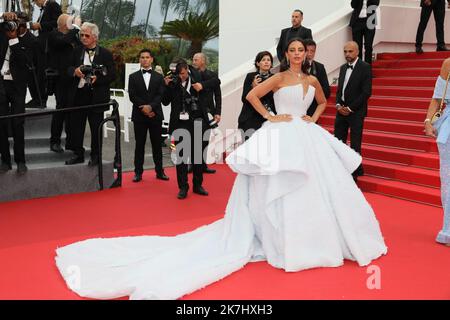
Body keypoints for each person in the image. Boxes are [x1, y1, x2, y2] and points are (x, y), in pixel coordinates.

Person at [54, 38, 387, 300]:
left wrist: (312, 118)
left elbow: (323, 101)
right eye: (293, 50)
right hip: (282, 133)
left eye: (301, 50)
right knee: (277, 186)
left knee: (317, 186)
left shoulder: (313, 78)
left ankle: (315, 240)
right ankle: (280, 239)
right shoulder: (279, 77)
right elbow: (253, 97)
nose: (298, 54)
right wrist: (272, 117)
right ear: (286, 53)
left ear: (307, 52)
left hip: (305, 135)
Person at [161, 60, 217, 199]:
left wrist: (201, 86)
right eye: (180, 74)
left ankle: (198, 185)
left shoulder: (197, 77)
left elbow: (217, 81)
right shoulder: (173, 82)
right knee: (181, 158)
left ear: (187, 70)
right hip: (178, 124)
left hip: (198, 121)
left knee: (197, 157)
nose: (182, 77)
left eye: (184, 74)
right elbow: (165, 101)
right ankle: (183, 187)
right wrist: (166, 86)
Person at [64, 22, 115, 166]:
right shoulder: (76, 51)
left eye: (87, 35)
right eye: (82, 35)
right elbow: (66, 69)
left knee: (96, 128)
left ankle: (96, 156)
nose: (83, 38)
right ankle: (78, 154)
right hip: (79, 94)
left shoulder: (105, 53)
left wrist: (98, 79)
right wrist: (75, 71)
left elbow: (112, 75)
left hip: (97, 96)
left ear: (95, 37)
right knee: (76, 128)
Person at [129, 49, 169, 183]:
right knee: (139, 145)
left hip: (155, 115)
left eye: (147, 57)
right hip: (139, 116)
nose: (144, 59)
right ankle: (138, 173)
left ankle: (160, 171)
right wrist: (144, 108)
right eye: (142, 57)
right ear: (139, 60)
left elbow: (160, 95)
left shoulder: (159, 77)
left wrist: (151, 107)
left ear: (151, 59)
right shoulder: (133, 76)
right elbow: (132, 96)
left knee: (157, 145)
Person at [334, 41, 372, 182]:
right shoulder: (343, 68)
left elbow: (366, 92)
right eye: (345, 51)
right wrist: (338, 105)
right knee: (338, 141)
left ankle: (354, 173)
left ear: (357, 52)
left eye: (350, 51)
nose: (347, 54)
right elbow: (339, 89)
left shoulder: (365, 67)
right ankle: (340, 169)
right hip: (340, 111)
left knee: (355, 144)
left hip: (356, 112)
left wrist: (350, 108)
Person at [0, 16, 32, 174]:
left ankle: (21, 161)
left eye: (16, 24)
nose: (12, 27)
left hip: (18, 87)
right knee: (1, 124)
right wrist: (3, 18)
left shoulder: (29, 41)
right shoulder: (2, 33)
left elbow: (25, 62)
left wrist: (14, 40)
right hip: (1, 85)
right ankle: (5, 160)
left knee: (18, 124)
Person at [424, 58, 450, 246]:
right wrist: (427, 121)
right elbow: (437, 98)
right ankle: (449, 229)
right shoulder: (448, 64)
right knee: (448, 179)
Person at [47, 13, 82, 154]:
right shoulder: (54, 35)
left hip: (73, 77)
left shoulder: (73, 36)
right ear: (64, 23)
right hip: (60, 78)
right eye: (70, 21)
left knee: (72, 110)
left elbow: (80, 48)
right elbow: (62, 42)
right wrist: (75, 28)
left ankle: (71, 141)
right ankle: (55, 141)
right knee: (61, 109)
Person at [28, 0, 62, 108]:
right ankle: (36, 98)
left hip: (46, 46)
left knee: (41, 73)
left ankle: (41, 99)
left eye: (35, 0)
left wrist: (40, 25)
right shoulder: (45, 8)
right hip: (40, 45)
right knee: (35, 72)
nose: (35, 3)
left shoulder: (53, 4)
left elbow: (57, 22)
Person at [192, 52, 221, 174]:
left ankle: (203, 166)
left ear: (203, 61)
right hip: (194, 112)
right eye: (193, 60)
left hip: (209, 113)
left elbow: (218, 95)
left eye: (196, 60)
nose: (193, 62)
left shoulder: (212, 75)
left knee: (204, 140)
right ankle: (192, 165)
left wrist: (218, 112)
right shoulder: (191, 76)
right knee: (193, 140)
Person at [238, 50, 276, 139]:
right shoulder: (250, 76)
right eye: (263, 60)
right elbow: (244, 98)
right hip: (249, 118)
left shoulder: (275, 78)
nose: (266, 62)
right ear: (258, 63)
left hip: (267, 118)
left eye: (269, 60)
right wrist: (253, 87)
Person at [304, 39, 330, 118]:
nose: (309, 53)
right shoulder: (294, 66)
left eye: (312, 51)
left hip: (313, 110)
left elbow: (327, 91)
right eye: (307, 50)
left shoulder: (320, 67)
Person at [349, 0, 380, 64]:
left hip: (370, 21)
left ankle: (367, 69)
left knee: (368, 46)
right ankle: (358, 68)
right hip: (357, 22)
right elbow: (353, 5)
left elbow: (375, 4)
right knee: (357, 47)